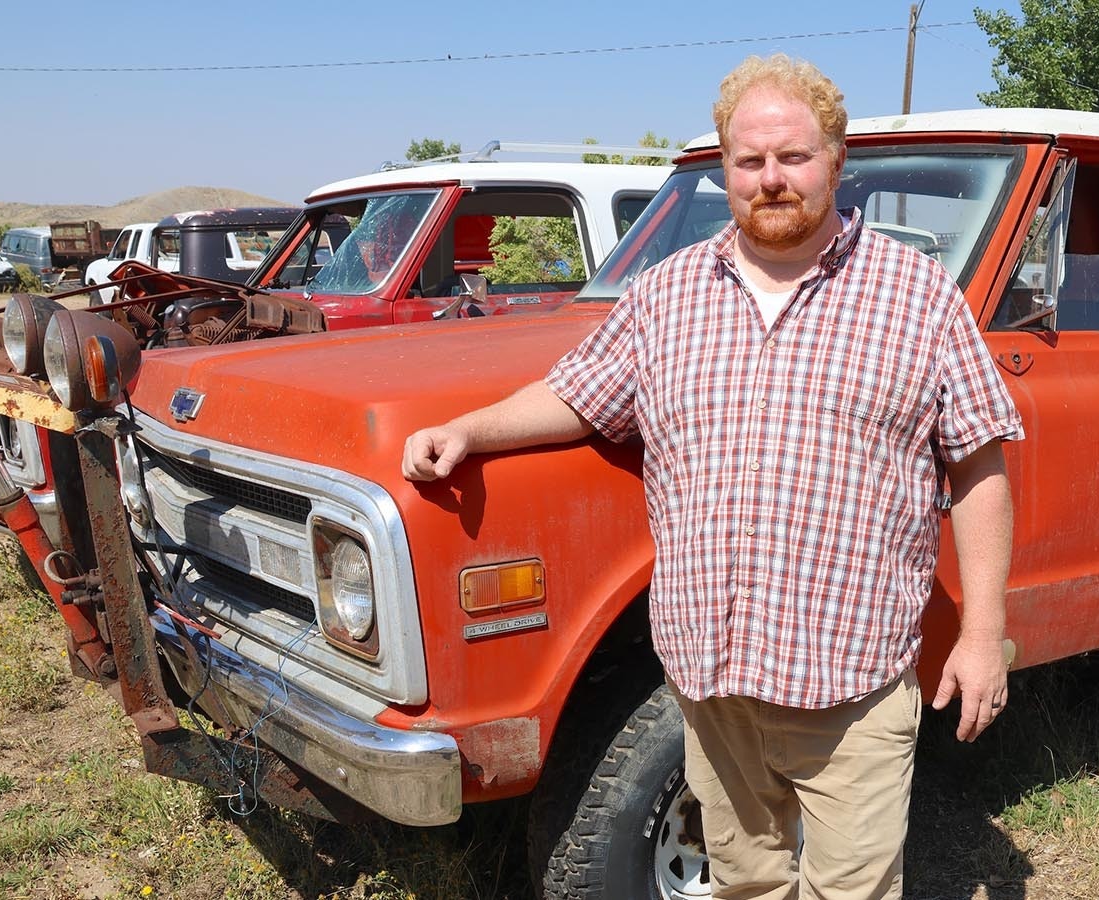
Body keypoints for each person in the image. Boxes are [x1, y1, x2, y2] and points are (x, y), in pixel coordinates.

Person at [402, 54, 1023, 900]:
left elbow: (980, 460)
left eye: (794, 157)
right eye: (750, 160)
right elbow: (576, 394)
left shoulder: (918, 297)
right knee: (743, 881)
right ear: (725, 170)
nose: (772, 179)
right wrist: (468, 430)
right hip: (710, 677)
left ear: (837, 162)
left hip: (850, 686)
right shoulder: (665, 295)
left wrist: (983, 634)